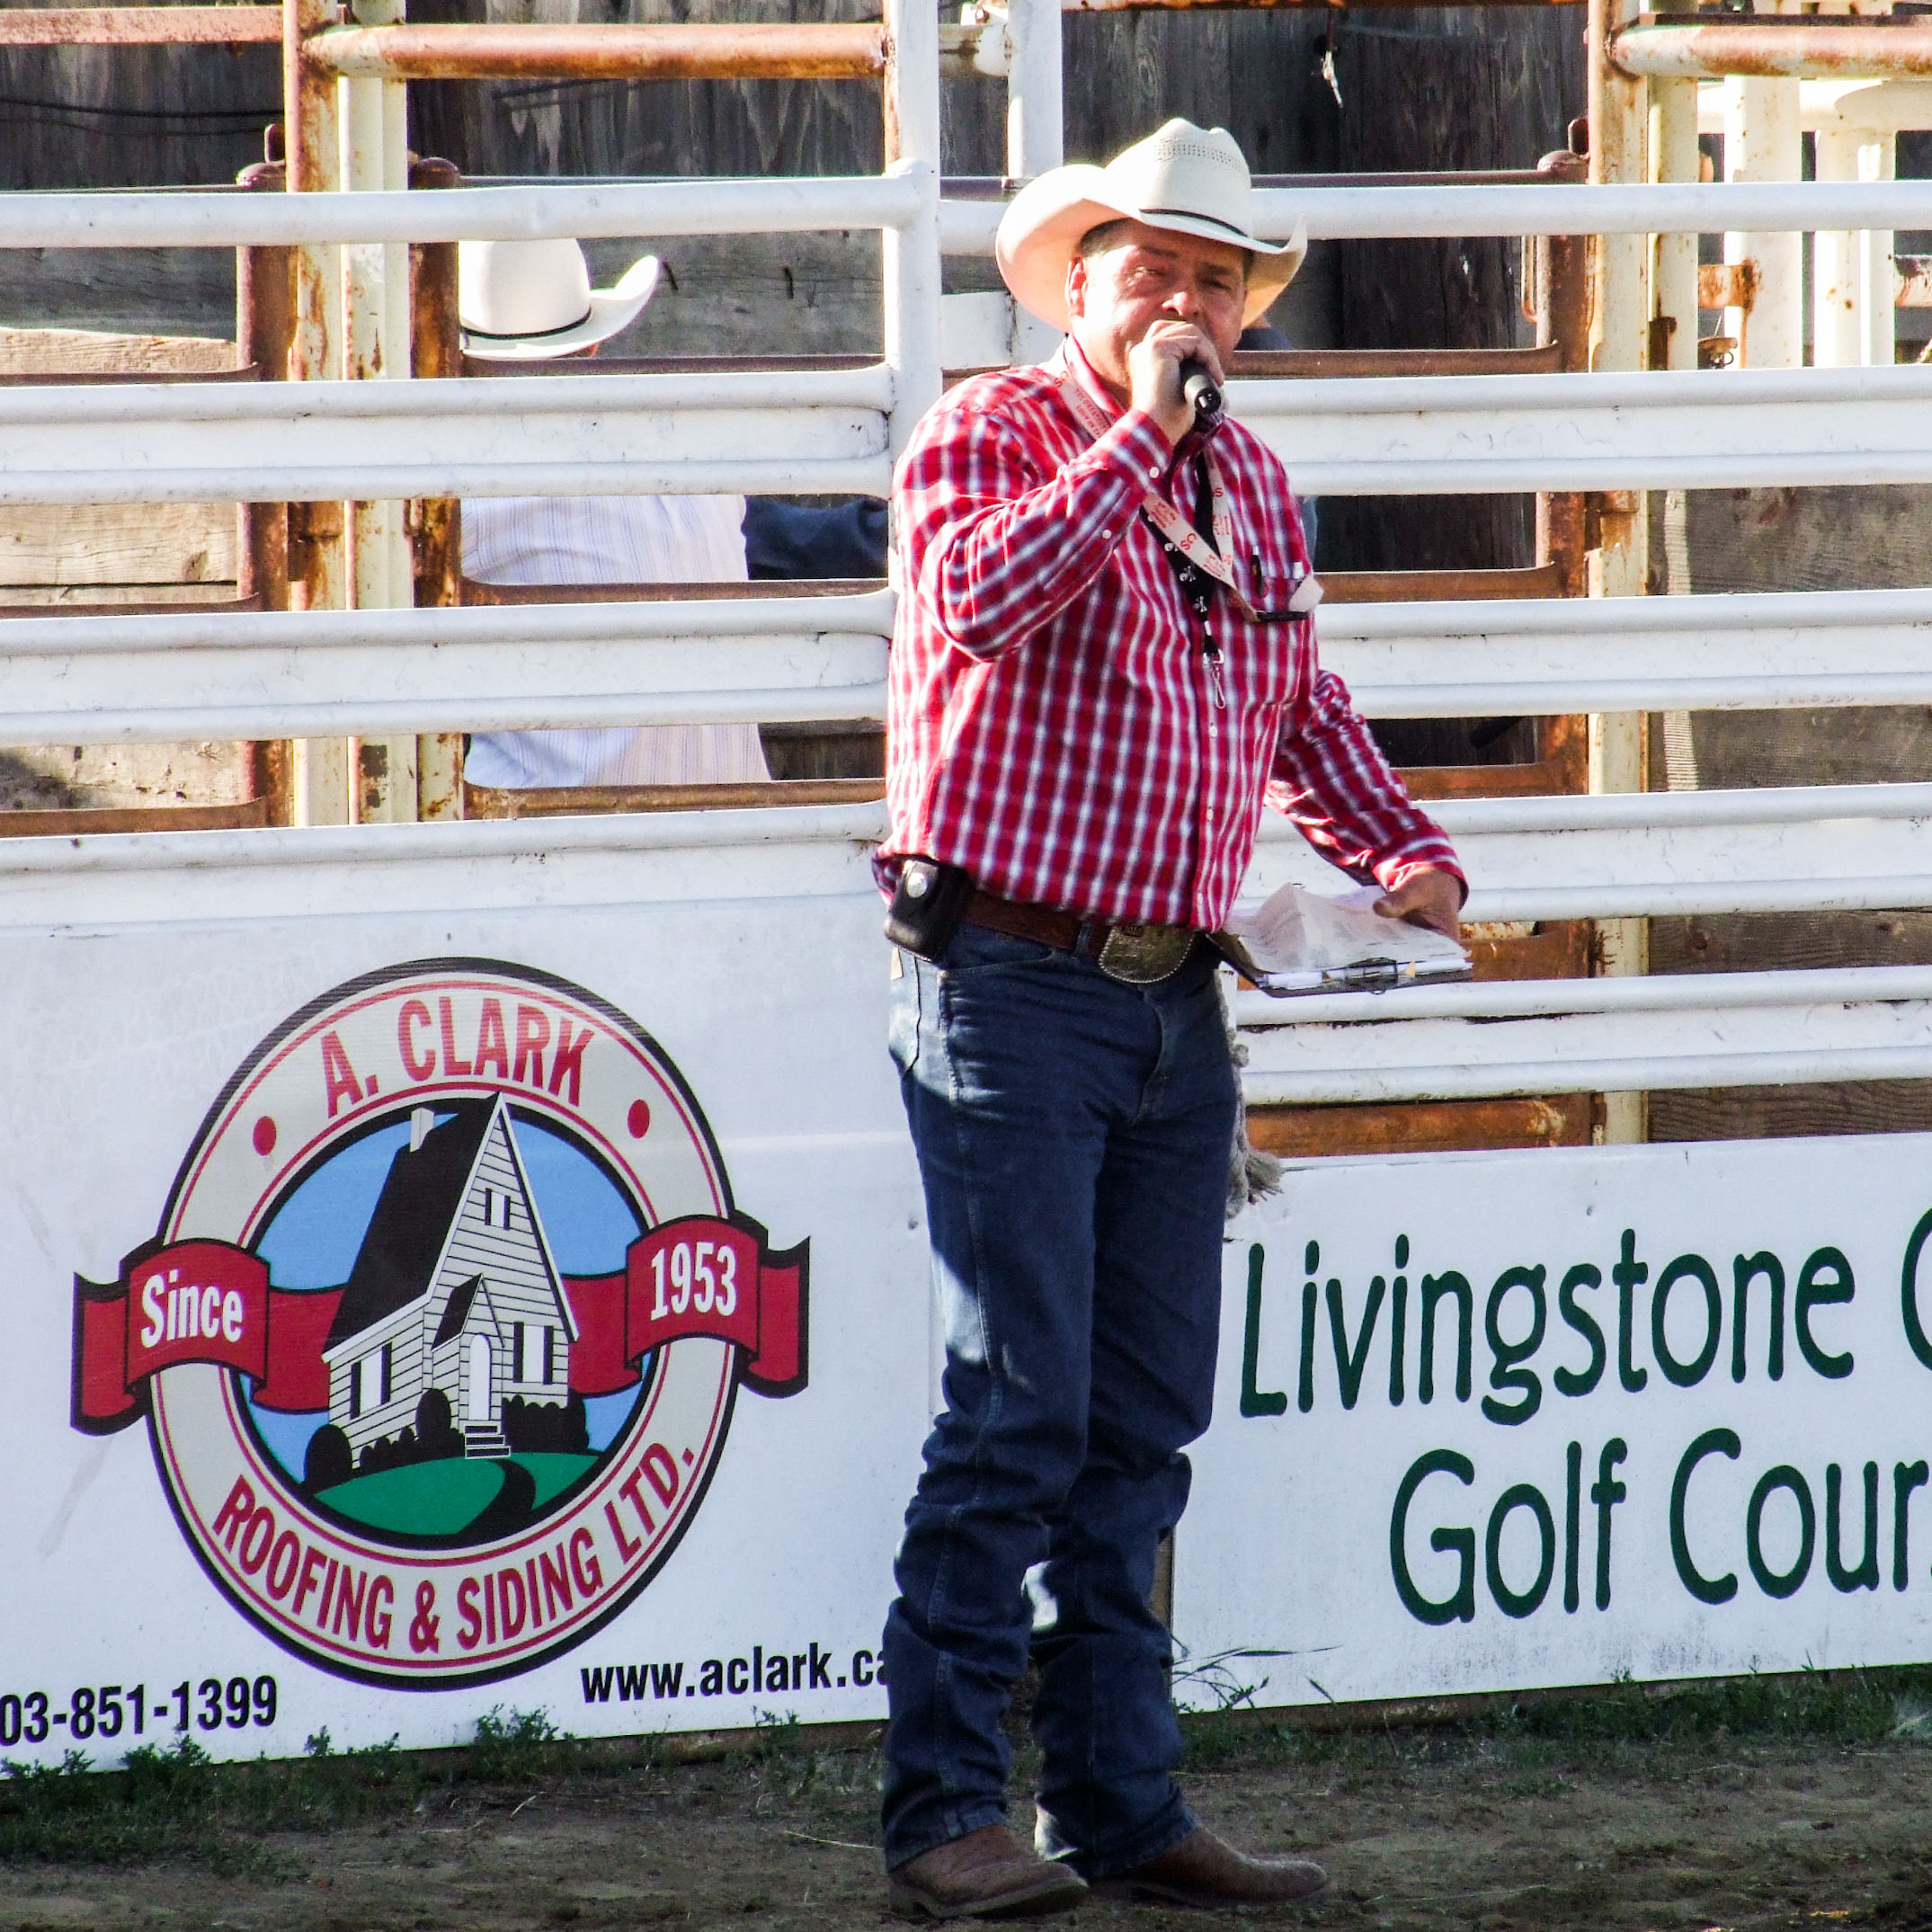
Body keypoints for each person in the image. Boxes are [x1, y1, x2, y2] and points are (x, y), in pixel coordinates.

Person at [874, 119, 1466, 1919]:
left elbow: (1296, 698)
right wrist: (1141, 430)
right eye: (1155, 273)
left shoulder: (1254, 484)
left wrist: (1401, 851)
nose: (1189, 304)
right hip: (1005, 976)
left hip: (1167, 993)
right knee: (1016, 1407)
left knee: (1136, 1418)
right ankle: (944, 1812)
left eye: (1218, 279)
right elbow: (980, 601)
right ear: (1080, 285)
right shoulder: (987, 432)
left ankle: (1119, 1806)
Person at [456, 236, 774, 791]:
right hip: (738, 817)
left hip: (556, 828)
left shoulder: (476, 495)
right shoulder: (697, 455)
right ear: (594, 345)